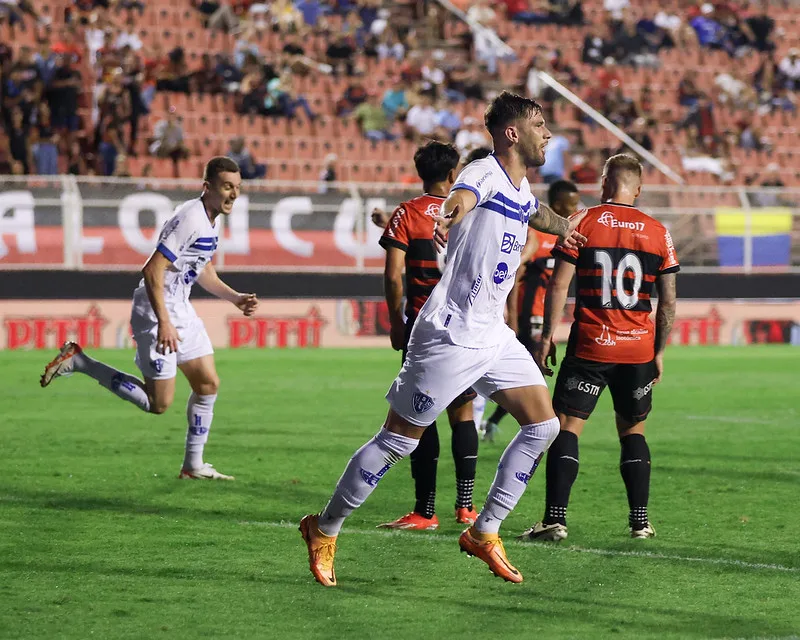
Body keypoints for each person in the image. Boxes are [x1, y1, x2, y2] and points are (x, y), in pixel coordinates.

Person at [299, 91, 587, 587]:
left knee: (544, 427)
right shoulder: (481, 173)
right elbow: (464, 197)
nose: (549, 133)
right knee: (396, 441)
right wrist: (449, 214)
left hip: (492, 335)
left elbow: (532, 210)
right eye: (540, 124)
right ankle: (324, 528)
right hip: (450, 335)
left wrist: (565, 229)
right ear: (512, 133)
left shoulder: (516, 187)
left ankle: (484, 530)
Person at [39, 157, 259, 480]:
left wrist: (234, 297)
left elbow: (201, 268)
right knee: (158, 404)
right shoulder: (190, 218)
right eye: (228, 187)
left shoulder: (212, 219)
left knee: (208, 383)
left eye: (238, 188)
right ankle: (81, 362)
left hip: (180, 308)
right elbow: (152, 269)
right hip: (157, 312)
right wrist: (165, 322)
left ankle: (193, 466)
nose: (234, 194)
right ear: (207, 187)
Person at [521, 154, 679, 542]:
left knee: (567, 427)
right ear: (638, 189)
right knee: (633, 430)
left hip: (592, 344)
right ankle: (640, 522)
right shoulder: (659, 232)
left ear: (605, 182)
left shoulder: (583, 222)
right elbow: (669, 300)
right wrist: (659, 351)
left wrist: (546, 337)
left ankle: (555, 520)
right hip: (638, 349)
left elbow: (559, 284)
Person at [377, 141, 479, 531]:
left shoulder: (407, 212)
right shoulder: (468, 211)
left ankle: (425, 510)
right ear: (454, 174)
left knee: (421, 418)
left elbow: (391, 274)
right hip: (464, 327)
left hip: (423, 327)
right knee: (463, 413)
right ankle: (466, 507)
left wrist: (395, 320)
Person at [481, 179, 581, 442]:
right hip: (528, 315)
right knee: (534, 373)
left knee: (532, 373)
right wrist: (513, 317)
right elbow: (515, 276)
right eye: (572, 203)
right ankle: (544, 427)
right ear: (558, 204)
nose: (576, 207)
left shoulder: (568, 237)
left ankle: (492, 420)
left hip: (542, 314)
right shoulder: (536, 235)